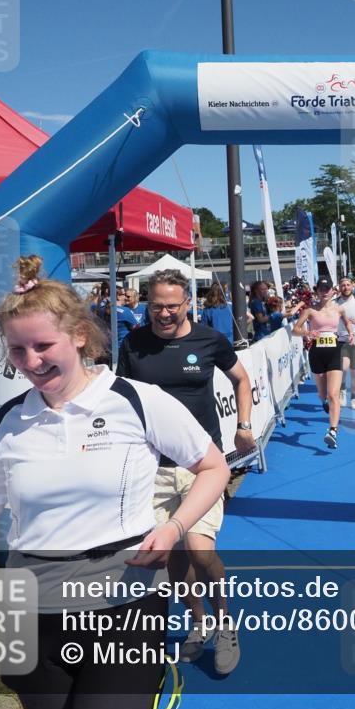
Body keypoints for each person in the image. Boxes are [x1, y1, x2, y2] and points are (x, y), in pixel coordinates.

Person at [0, 255, 230, 709]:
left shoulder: (135, 400)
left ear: (78, 336)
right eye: (17, 350)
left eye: (43, 345)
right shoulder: (8, 420)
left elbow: (214, 468)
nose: (31, 361)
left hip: (124, 597)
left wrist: (174, 528)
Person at [118, 269, 255, 674]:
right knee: (168, 559)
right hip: (153, 469)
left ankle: (226, 622)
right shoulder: (134, 343)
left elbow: (242, 379)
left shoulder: (209, 340)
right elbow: (123, 399)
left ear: (188, 304)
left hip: (202, 466)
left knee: (200, 549)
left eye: (171, 306)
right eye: (155, 305)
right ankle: (199, 620)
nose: (162, 313)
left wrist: (244, 426)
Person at [292, 275, 355, 449]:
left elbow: (348, 324)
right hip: (316, 353)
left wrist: (351, 334)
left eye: (327, 289)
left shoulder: (339, 309)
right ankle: (324, 401)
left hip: (334, 351)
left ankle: (332, 431)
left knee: (334, 394)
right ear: (317, 291)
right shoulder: (310, 310)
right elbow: (295, 330)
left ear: (332, 291)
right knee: (322, 394)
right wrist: (307, 333)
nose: (324, 292)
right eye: (321, 289)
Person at [334, 276, 355, 410]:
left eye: (348, 285)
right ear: (339, 287)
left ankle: (354, 398)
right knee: (344, 368)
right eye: (343, 285)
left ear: (353, 286)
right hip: (341, 341)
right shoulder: (334, 303)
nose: (345, 287)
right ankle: (342, 391)